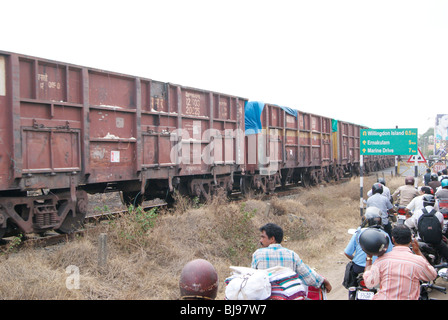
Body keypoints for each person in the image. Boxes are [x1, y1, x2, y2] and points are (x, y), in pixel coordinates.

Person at [251, 223, 332, 293]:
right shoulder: (291, 255)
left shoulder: (258, 254)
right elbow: (308, 275)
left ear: (272, 239)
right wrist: (323, 281)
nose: (260, 240)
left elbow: (252, 279)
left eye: (263, 237)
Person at [363, 225, 437, 300]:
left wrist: (369, 258)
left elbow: (369, 283)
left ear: (393, 239)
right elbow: (431, 275)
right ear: (411, 240)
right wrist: (418, 251)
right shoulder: (417, 261)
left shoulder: (381, 260)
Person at [342, 207, 393, 289]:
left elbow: (347, 252)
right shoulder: (384, 235)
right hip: (377, 269)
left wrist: (356, 259)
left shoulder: (358, 233)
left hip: (358, 268)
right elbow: (389, 254)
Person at [404, 194, 448, 261]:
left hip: (421, 240)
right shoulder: (439, 214)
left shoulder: (418, 213)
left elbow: (410, 224)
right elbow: (441, 228)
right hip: (436, 242)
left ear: (424, 203)